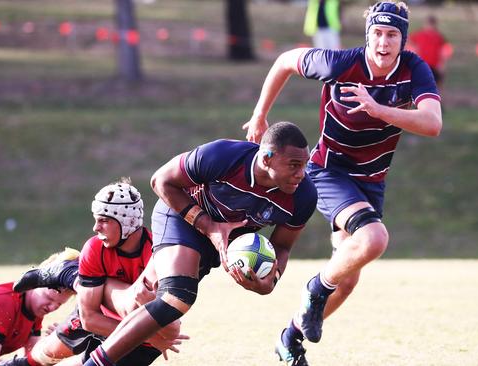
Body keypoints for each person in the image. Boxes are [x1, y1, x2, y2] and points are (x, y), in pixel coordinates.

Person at [243, 2, 442, 365]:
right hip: (329, 171)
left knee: (348, 278)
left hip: (372, 182)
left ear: (403, 39)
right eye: (377, 34)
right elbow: (286, 61)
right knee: (375, 239)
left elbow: (432, 123)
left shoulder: (414, 69)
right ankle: (315, 289)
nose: (383, 43)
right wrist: (259, 114)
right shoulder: (340, 64)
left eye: (392, 35)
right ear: (368, 36)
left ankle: (289, 337)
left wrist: (378, 109)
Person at [79, 121, 318, 366]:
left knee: (153, 318)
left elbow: (283, 247)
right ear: (266, 159)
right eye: (294, 165)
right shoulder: (223, 156)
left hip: (219, 243)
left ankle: (90, 349)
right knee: (176, 296)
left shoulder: (304, 196)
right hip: (183, 218)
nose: (301, 173)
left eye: (305, 164)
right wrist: (210, 226)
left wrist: (271, 280)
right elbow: (161, 181)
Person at [5, 179, 186, 366]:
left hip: (135, 325)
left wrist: (145, 335)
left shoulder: (159, 251)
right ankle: (67, 273)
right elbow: (89, 319)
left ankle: (67, 272)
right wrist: (145, 336)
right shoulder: (95, 247)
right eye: (96, 219)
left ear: (129, 221)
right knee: (41, 357)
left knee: (139, 307)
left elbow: (171, 327)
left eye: (104, 220)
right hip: (100, 313)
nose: (95, 227)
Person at [409, 14, 448, 89]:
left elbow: (442, 51)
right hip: (422, 65)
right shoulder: (419, 34)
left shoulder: (438, 37)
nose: (429, 26)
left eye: (431, 24)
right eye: (428, 24)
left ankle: (436, 99)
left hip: (434, 66)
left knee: (435, 86)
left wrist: (442, 64)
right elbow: (410, 43)